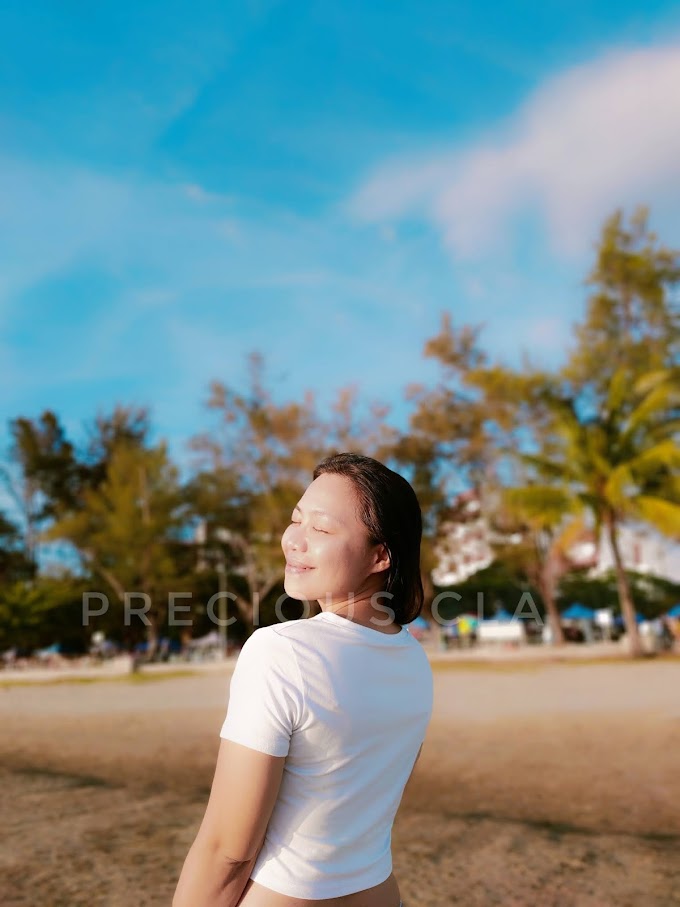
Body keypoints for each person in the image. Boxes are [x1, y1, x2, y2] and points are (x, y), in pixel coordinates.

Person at [173, 453, 433, 907]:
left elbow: (228, 852)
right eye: (297, 519)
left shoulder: (282, 651)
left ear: (380, 555)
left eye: (323, 529)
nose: (295, 540)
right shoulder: (412, 658)